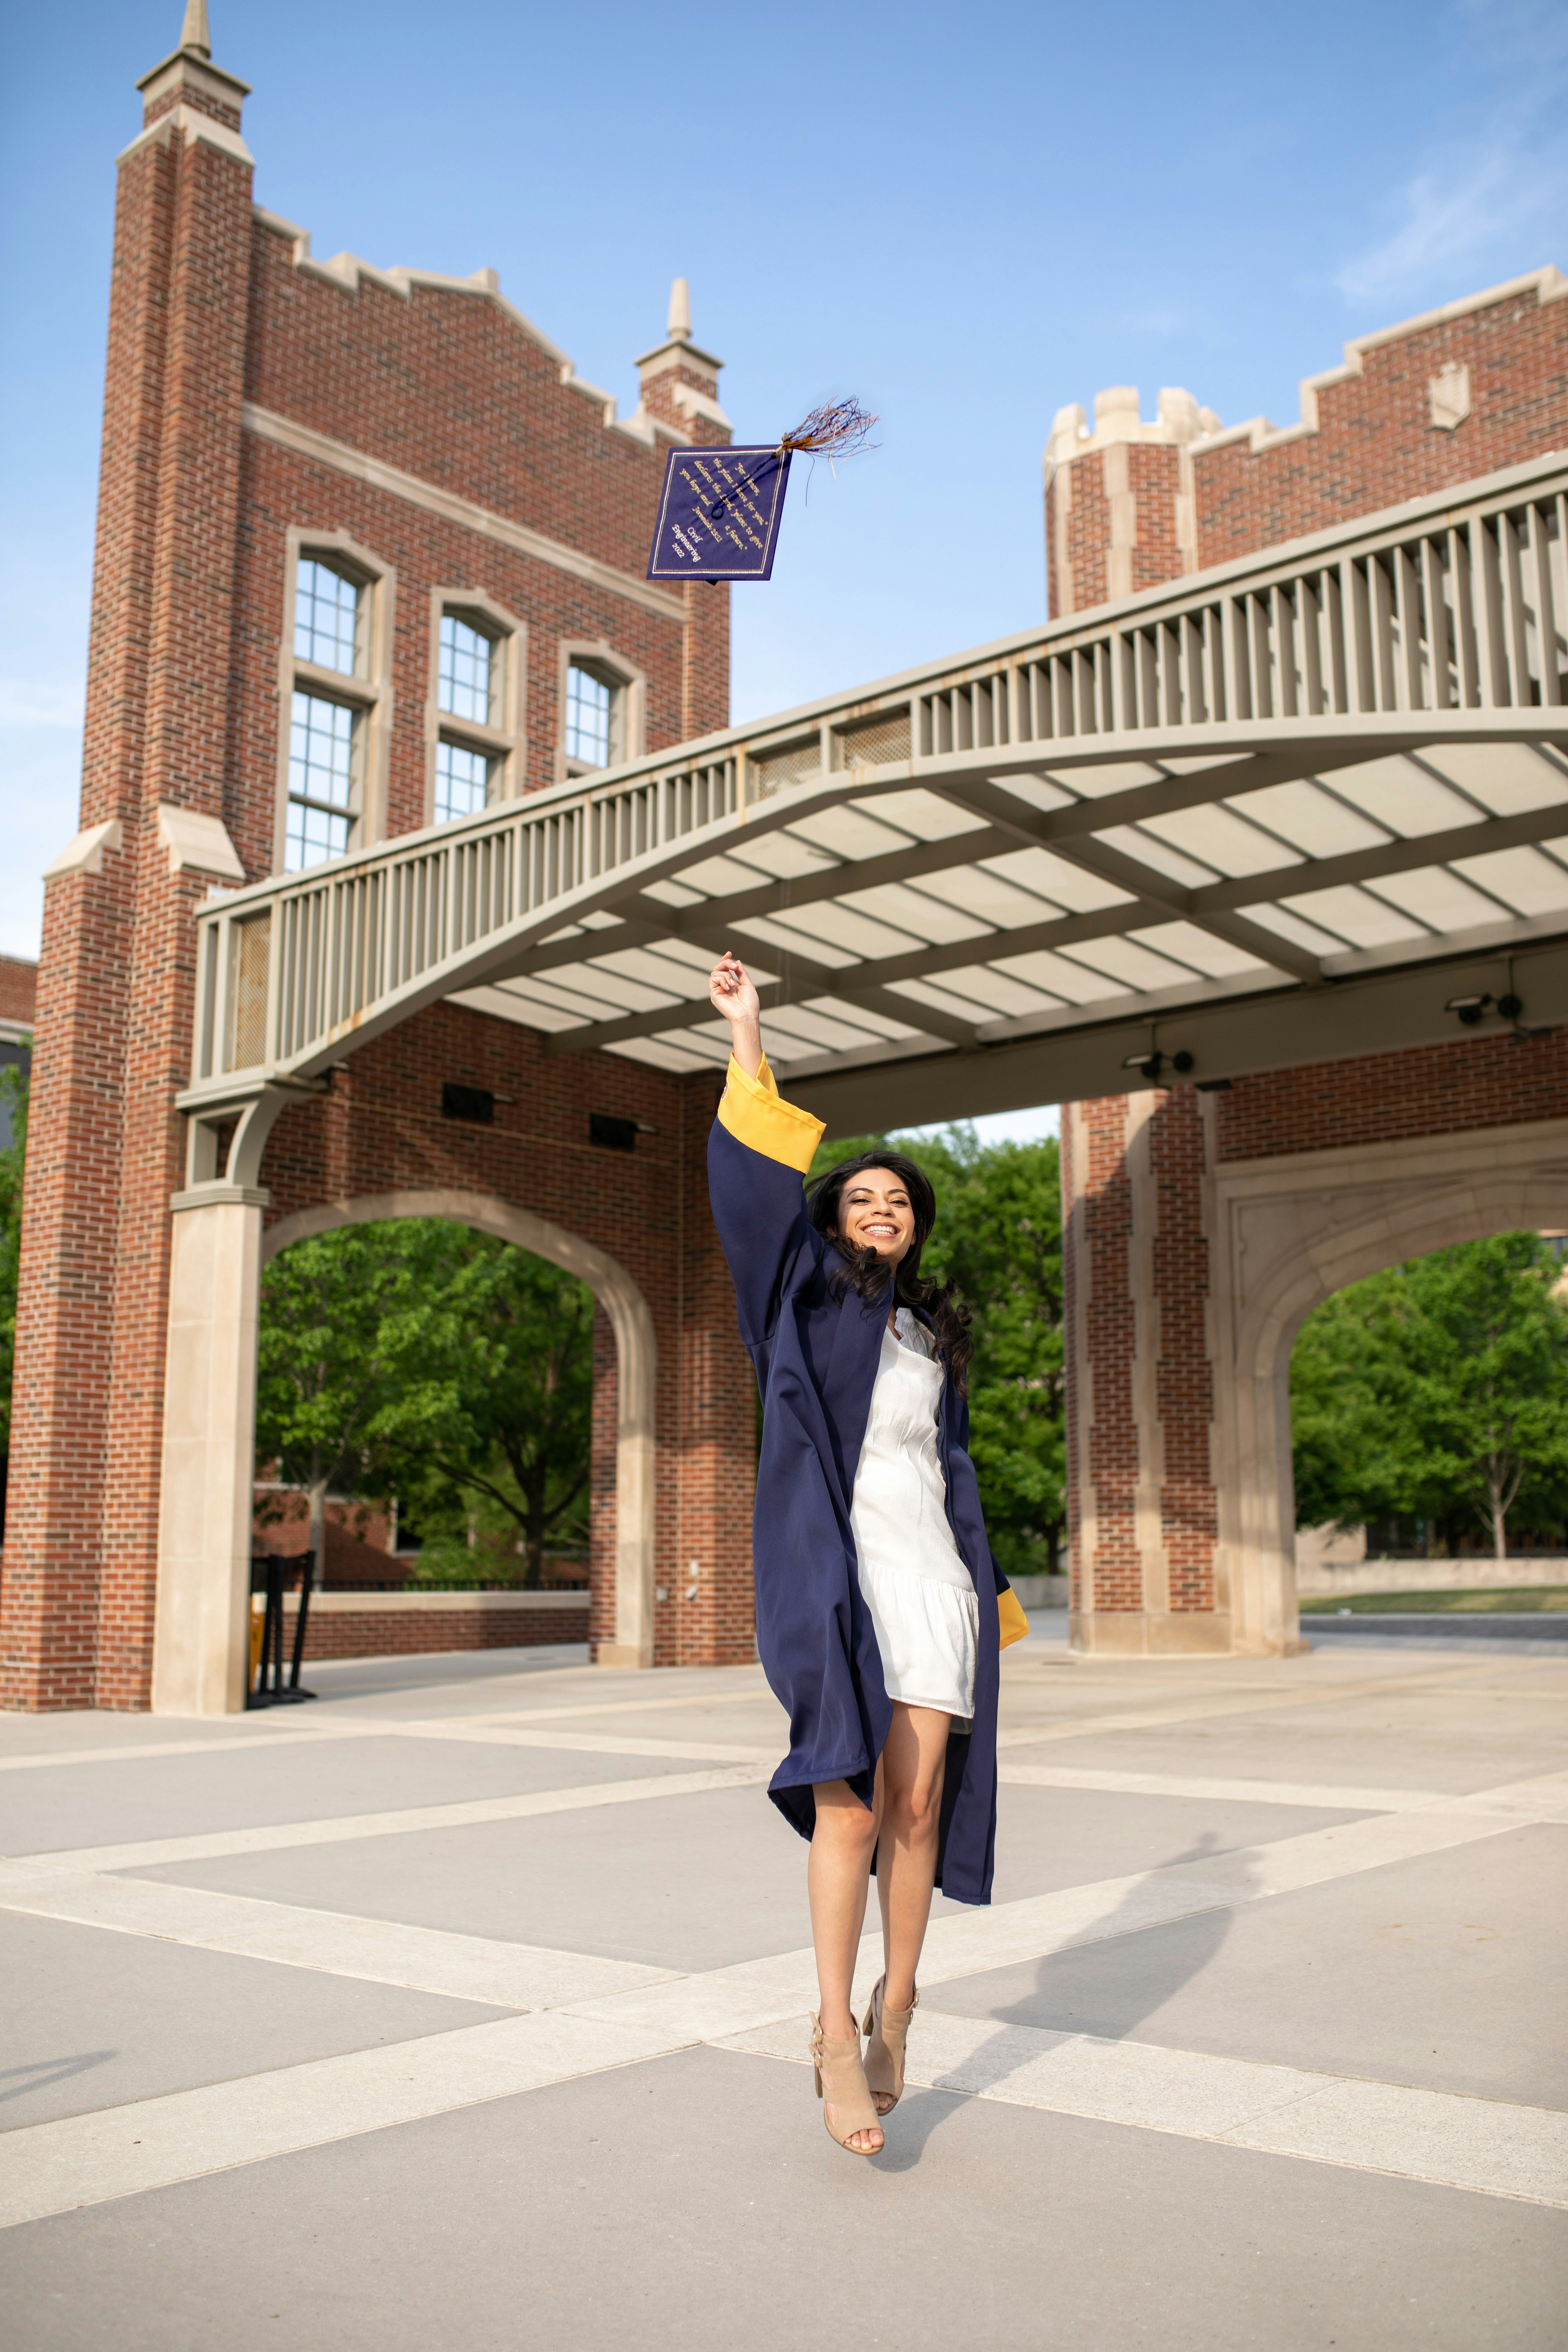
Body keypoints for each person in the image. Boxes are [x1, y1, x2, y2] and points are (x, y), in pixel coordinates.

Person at [706, 951, 1029, 2155]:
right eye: (863, 1201)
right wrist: (751, 1033)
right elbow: (752, 1197)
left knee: (916, 1807)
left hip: (931, 1577)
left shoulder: (925, 1329)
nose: (883, 1214)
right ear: (835, 1218)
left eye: (900, 1204)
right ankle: (832, 2030)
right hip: (837, 1572)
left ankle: (900, 2008)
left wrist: (987, 1583)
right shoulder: (797, 1294)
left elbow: (952, 1469)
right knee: (845, 1804)